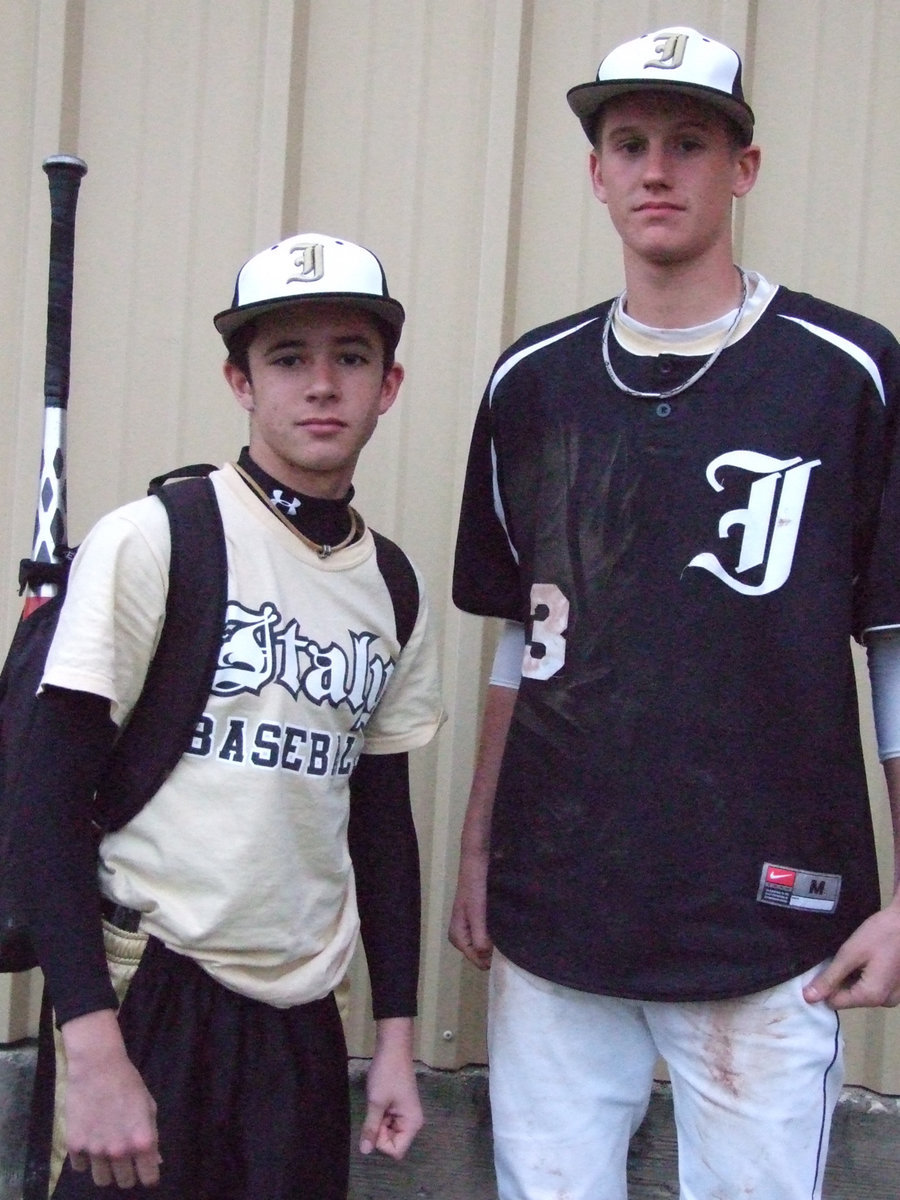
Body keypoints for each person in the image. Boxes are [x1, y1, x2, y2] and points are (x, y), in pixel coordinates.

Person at [449, 25, 900, 1200]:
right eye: (628, 142)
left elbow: (896, 649)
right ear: (595, 170)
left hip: (764, 923)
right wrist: (481, 847)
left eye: (689, 142)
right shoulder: (531, 383)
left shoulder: (845, 373)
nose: (656, 169)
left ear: (743, 167)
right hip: (557, 918)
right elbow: (520, 633)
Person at [19, 232, 445, 1199]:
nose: (322, 384)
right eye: (288, 359)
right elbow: (41, 805)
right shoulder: (157, 540)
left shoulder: (392, 587)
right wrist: (90, 1044)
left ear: (390, 383)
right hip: (145, 987)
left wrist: (395, 1042)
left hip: (300, 1011)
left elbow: (380, 827)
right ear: (240, 381)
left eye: (351, 356)